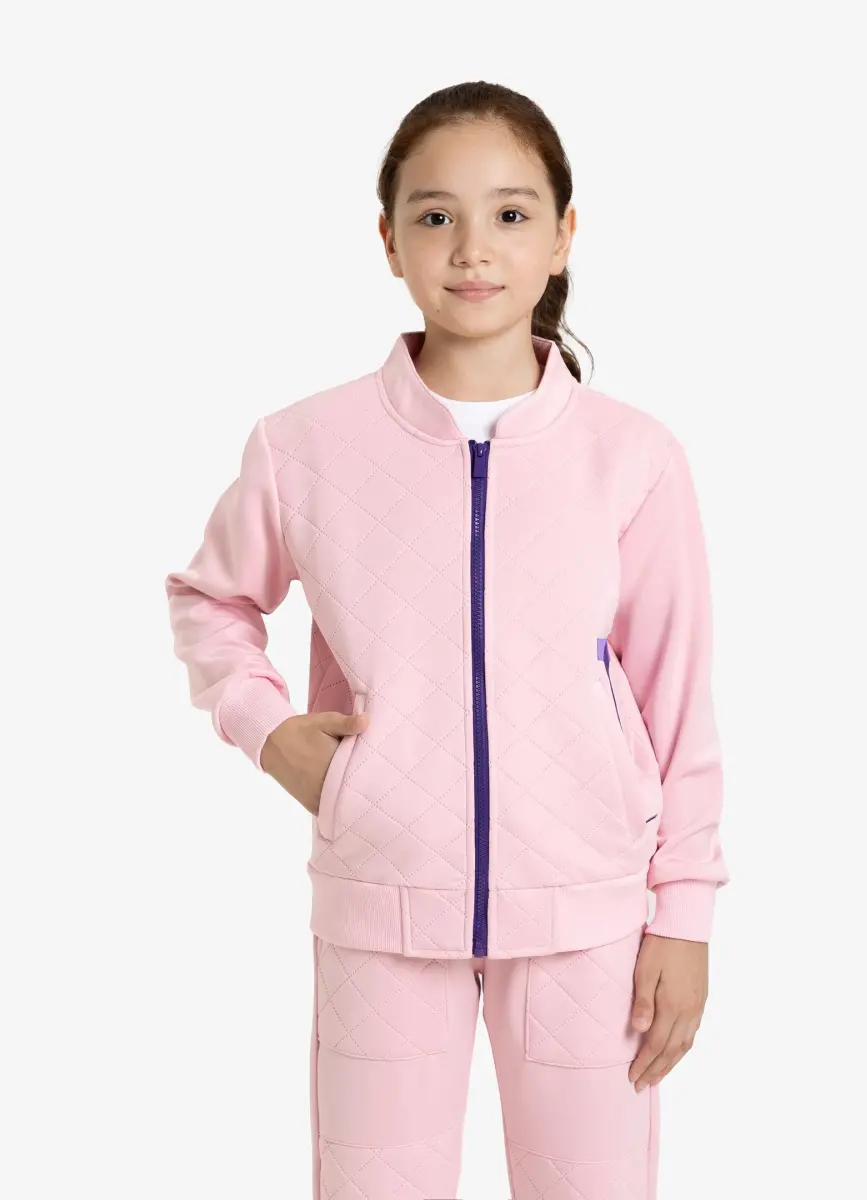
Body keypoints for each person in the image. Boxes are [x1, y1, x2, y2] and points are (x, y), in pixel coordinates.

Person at [165, 79, 730, 1200]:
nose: (473, 248)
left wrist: (686, 916)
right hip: (383, 902)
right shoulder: (304, 445)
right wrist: (269, 731)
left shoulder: (633, 457)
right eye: (436, 215)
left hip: (589, 914)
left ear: (563, 236)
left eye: (511, 214)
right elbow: (209, 600)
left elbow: (678, 700)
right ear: (389, 239)